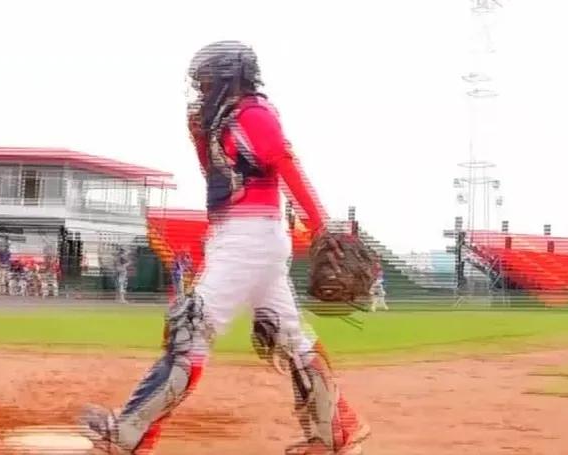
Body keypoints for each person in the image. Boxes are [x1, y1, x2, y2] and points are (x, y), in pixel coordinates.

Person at [81, 41, 370, 455]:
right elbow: (215, 176)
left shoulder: (253, 113)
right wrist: (200, 134)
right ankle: (336, 431)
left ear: (229, 78)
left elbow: (287, 165)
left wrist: (322, 226)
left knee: (190, 330)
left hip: (250, 237)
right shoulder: (222, 121)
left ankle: (131, 435)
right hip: (241, 236)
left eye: (207, 79)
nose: (201, 88)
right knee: (288, 336)